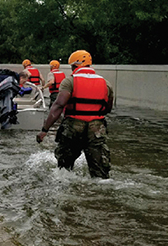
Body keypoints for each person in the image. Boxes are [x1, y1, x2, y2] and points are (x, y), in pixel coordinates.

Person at [37, 50, 114, 179]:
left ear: (74, 66)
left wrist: (45, 130)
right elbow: (108, 108)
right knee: (100, 173)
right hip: (96, 128)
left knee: (64, 170)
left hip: (73, 126)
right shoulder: (106, 84)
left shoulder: (70, 81)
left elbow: (58, 106)